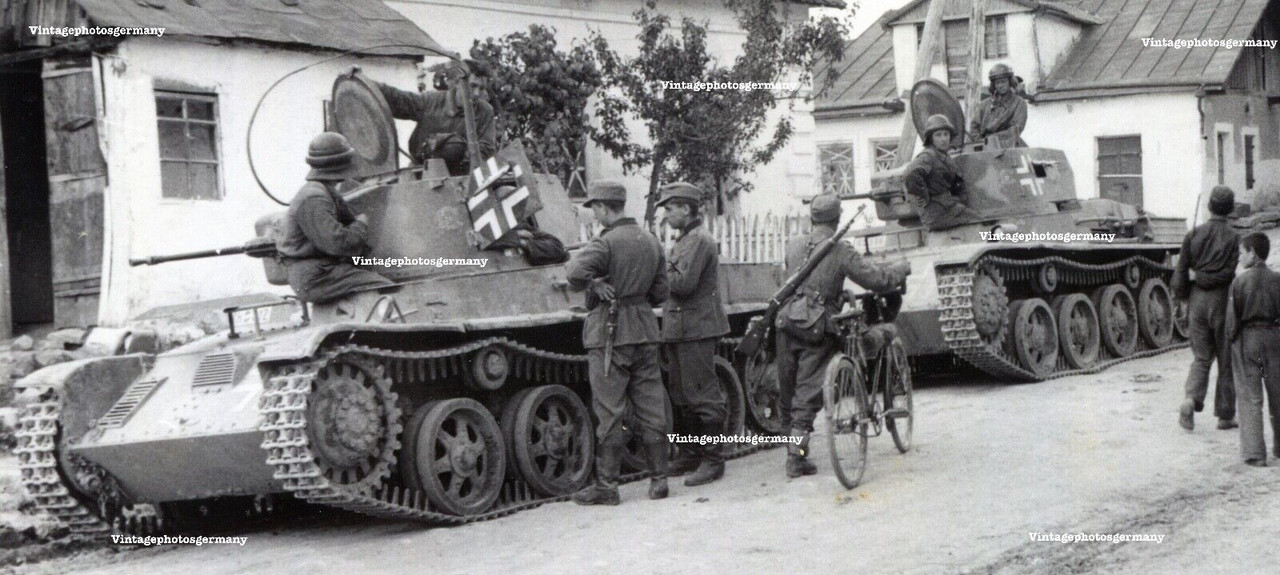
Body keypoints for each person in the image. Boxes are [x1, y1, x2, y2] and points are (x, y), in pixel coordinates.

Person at [776, 194, 910, 478]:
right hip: (816, 325)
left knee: (788, 390)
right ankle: (796, 458)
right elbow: (875, 279)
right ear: (837, 219)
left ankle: (794, 448)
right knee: (808, 393)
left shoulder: (795, 245)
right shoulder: (838, 249)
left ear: (812, 218)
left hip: (786, 321)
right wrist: (900, 269)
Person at [566, 180, 671, 504]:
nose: (594, 214)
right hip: (644, 328)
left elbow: (573, 273)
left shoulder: (606, 242)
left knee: (610, 409)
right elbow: (661, 293)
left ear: (602, 207)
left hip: (610, 333)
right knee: (652, 406)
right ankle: (659, 480)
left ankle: (608, 487)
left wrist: (596, 285)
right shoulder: (651, 241)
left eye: (594, 208)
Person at [655, 182, 731, 487]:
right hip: (680, 328)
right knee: (681, 396)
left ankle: (713, 460)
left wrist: (658, 269)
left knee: (702, 395)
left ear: (686, 209)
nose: (666, 216)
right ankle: (690, 453)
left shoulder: (699, 240)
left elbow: (683, 284)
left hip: (697, 328)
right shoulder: (686, 239)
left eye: (670, 209)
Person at [277, 132, 393, 303]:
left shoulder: (324, 192)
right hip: (317, 276)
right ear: (342, 164)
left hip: (323, 271)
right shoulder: (314, 197)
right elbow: (336, 243)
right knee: (387, 289)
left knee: (380, 279)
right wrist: (361, 225)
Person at [1174, 186, 1239, 432]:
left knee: (1201, 358)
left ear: (1209, 207)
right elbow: (1228, 273)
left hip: (1197, 302)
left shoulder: (1193, 234)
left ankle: (1190, 400)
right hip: (1222, 302)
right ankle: (1225, 415)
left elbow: (1181, 272)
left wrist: (1182, 299)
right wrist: (1206, 278)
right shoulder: (1233, 238)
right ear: (1230, 209)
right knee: (1226, 359)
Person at [369, 63, 497, 175]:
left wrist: (460, 158)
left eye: (481, 88)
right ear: (458, 83)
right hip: (421, 172)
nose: (476, 93)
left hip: (460, 175)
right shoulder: (431, 101)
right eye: (472, 86)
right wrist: (366, 83)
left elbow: (486, 147)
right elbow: (399, 99)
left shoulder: (485, 111)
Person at [1226, 232, 1280, 467]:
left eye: (1242, 252)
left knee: (1250, 396)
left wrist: (1233, 340)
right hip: (1275, 339)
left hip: (1249, 340)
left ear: (1253, 253)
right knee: (1278, 393)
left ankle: (1255, 453)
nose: (1239, 258)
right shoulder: (1278, 279)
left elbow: (1232, 322)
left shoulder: (1239, 282)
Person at [905, 114, 979, 231]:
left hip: (947, 208)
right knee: (980, 223)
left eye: (946, 134)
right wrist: (925, 198)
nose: (943, 139)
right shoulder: (929, 156)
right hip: (936, 213)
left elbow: (955, 181)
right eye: (938, 135)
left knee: (978, 219)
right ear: (931, 138)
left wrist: (958, 199)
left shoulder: (944, 156)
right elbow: (911, 174)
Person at [969, 63, 1028, 149]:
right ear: (993, 85)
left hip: (1009, 145)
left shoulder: (1019, 103)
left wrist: (992, 138)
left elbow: (1016, 129)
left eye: (1003, 82)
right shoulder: (984, 104)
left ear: (1010, 82)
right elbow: (974, 126)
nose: (1000, 85)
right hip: (984, 146)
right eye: (997, 83)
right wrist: (980, 142)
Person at [487, 215, 570, 266]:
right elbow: (481, 241)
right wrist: (516, 236)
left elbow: (557, 248)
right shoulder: (485, 230)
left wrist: (525, 243)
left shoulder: (526, 230)